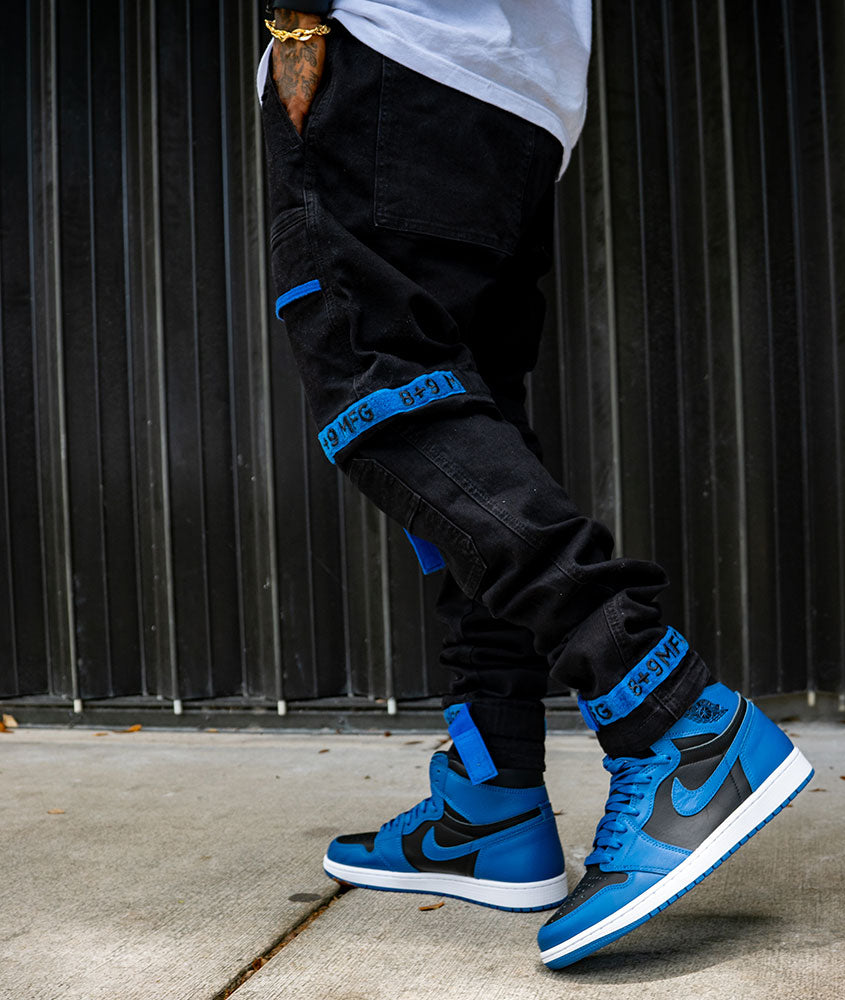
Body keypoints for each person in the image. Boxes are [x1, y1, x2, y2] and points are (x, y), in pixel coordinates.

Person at [259, 1, 812, 969]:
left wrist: (295, 28)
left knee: (386, 402)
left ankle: (669, 711)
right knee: (468, 425)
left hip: (384, 62)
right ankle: (493, 799)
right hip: (520, 100)